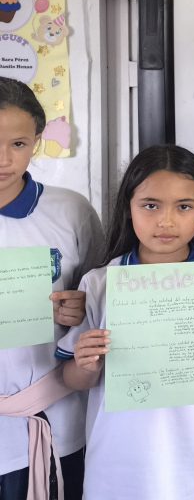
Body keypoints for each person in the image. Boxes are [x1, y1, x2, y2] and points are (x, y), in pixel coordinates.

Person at [57, 145, 194, 500]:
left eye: (184, 206)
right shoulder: (100, 282)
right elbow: (74, 379)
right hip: (121, 463)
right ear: (129, 207)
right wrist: (86, 363)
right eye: (151, 206)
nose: (166, 221)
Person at [0, 77, 103, 500]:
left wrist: (81, 309)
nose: (3, 159)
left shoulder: (70, 211)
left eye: (18, 144)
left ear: (38, 141)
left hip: (54, 422)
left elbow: (102, 299)